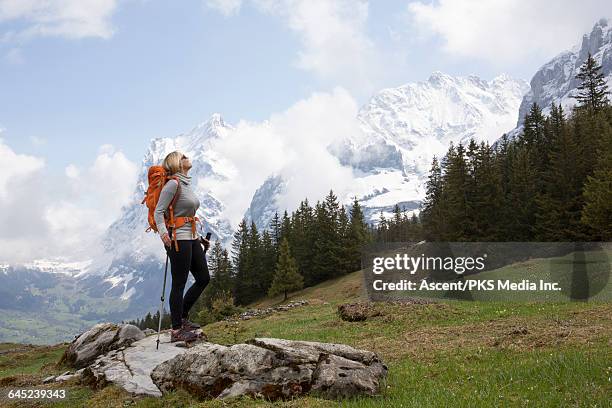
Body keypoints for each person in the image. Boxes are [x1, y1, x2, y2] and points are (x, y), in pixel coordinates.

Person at [154, 151, 210, 342]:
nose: (187, 157)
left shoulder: (186, 183)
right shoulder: (173, 184)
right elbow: (158, 212)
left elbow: (187, 215)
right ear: (177, 163)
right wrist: (163, 234)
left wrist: (200, 238)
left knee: (203, 278)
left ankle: (183, 316)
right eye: (183, 156)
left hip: (191, 237)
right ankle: (177, 330)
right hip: (178, 239)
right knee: (179, 283)